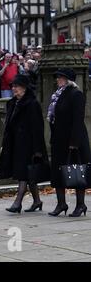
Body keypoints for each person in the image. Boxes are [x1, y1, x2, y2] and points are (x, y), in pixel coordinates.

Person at [0, 74, 49, 213]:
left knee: (23, 174)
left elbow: (38, 128)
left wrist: (38, 150)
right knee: (27, 174)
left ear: (25, 88)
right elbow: (8, 126)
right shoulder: (12, 103)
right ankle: (37, 201)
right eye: (13, 86)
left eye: (17, 86)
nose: (14, 89)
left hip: (28, 145)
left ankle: (17, 202)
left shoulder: (32, 104)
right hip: (15, 144)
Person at [47, 68, 90, 217]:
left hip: (74, 140)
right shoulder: (57, 95)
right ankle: (61, 204)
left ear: (68, 80)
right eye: (57, 77)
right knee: (58, 172)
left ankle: (81, 205)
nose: (58, 79)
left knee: (77, 173)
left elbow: (78, 119)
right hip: (59, 140)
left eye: (61, 77)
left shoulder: (76, 94)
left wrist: (74, 142)